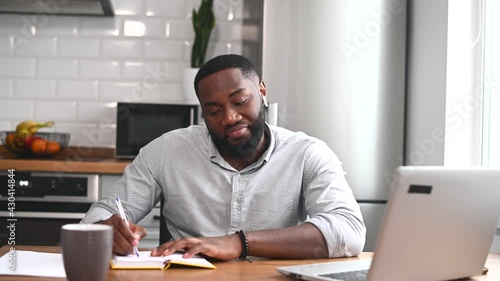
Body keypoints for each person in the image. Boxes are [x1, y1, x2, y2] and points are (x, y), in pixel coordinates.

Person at [82, 54, 366, 260]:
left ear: (262, 92)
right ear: (202, 113)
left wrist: (239, 243)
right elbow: (99, 216)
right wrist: (105, 230)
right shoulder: (165, 152)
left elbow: (349, 231)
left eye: (240, 101)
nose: (230, 118)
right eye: (214, 111)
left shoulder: (307, 153)